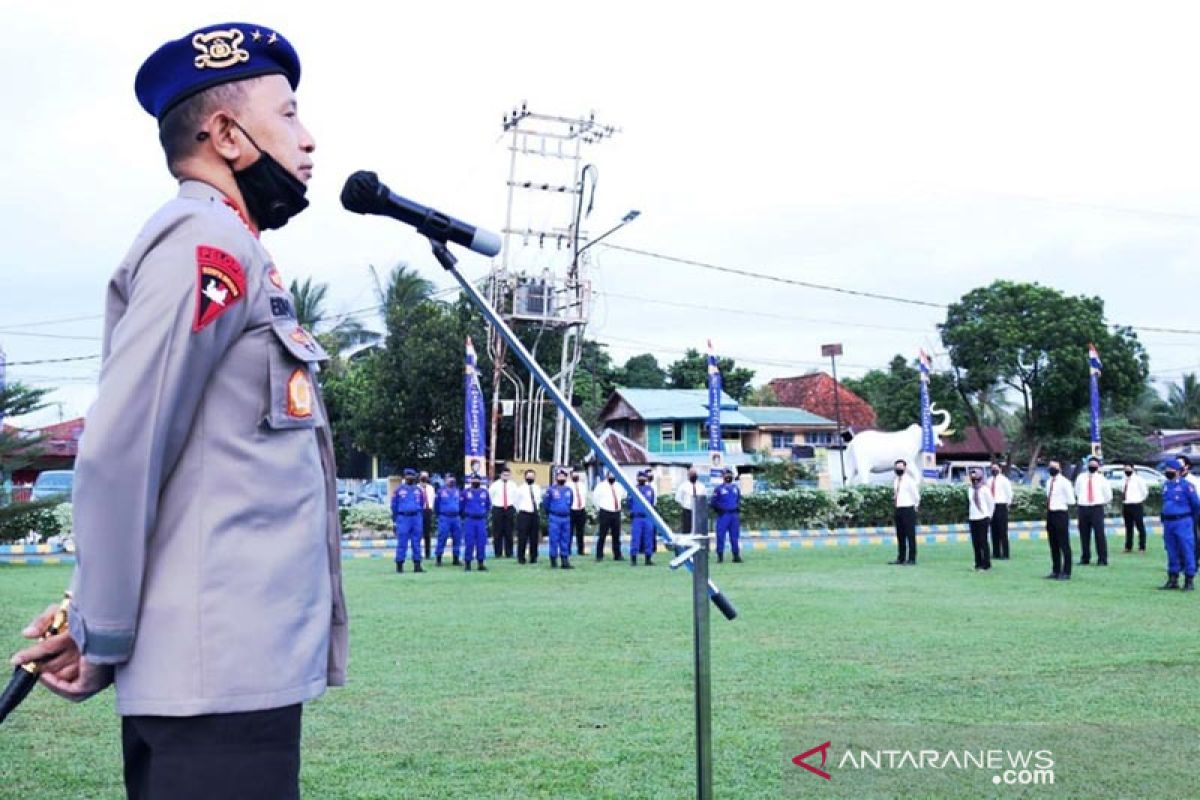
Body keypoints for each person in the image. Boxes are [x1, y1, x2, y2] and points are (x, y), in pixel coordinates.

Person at [9, 23, 346, 799]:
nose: (309, 139)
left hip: (233, 671)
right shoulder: (208, 245)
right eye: (289, 114)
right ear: (226, 134)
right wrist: (100, 627)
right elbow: (125, 448)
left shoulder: (235, 248)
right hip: (214, 682)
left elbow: (191, 470)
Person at [1157, 458, 1200, 591]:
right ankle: (1173, 578)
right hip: (1169, 523)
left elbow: (1196, 506)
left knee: (1187, 550)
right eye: (1166, 469)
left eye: (1169, 469)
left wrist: (1192, 521)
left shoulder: (1187, 486)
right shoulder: (1165, 485)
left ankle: (1189, 579)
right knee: (1171, 550)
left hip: (1183, 522)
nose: (1167, 471)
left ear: (1177, 471)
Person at [1074, 456, 1112, 566]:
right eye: (1090, 465)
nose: (1092, 467)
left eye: (1094, 465)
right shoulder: (1081, 477)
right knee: (1084, 534)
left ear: (1098, 467)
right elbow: (1077, 491)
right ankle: (1085, 558)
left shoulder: (1102, 479)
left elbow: (1108, 495)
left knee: (1099, 534)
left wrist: (1098, 502)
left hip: (1096, 508)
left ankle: (1102, 559)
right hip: (1083, 507)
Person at [1045, 460, 1076, 580]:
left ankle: (1066, 571)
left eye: (1054, 466)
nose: (1051, 468)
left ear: (1060, 468)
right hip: (1050, 513)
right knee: (1053, 544)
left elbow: (1071, 500)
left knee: (1064, 544)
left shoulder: (1064, 482)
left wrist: (1061, 501)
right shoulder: (1048, 482)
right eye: (1050, 466)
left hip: (1061, 513)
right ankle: (1055, 570)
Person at [393, 469, 426, 573]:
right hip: (403, 518)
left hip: (416, 517)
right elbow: (394, 505)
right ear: (405, 477)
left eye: (412, 476)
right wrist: (395, 519)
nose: (410, 478)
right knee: (402, 542)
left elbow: (421, 503)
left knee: (416, 542)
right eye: (408, 476)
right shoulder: (399, 490)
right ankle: (399, 565)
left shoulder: (418, 490)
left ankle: (417, 565)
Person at [890, 459, 920, 565]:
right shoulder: (895, 480)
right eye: (897, 467)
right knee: (900, 534)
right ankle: (901, 557)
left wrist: (915, 507)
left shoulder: (909, 481)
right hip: (898, 508)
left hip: (908, 508)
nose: (899, 469)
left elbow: (916, 496)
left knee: (910, 535)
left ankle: (912, 558)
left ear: (905, 468)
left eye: (901, 467)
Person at [710, 467, 743, 563]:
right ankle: (720, 556)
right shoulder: (718, 489)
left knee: (735, 536)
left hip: (734, 515)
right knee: (720, 536)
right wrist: (719, 510)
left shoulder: (736, 488)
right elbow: (713, 502)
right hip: (723, 515)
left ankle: (736, 555)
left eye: (729, 474)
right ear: (723, 476)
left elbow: (738, 500)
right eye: (726, 474)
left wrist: (737, 508)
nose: (728, 476)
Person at [544, 468, 576, 569]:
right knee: (554, 539)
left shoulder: (569, 490)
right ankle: (553, 560)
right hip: (555, 517)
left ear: (566, 477)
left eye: (563, 476)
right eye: (559, 476)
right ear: (556, 477)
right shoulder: (551, 490)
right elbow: (546, 504)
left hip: (566, 518)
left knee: (565, 540)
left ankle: (565, 561)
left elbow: (570, 503)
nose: (561, 478)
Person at [593, 471, 626, 560]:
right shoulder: (601, 486)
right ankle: (599, 555)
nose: (612, 477)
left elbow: (623, 496)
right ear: (607, 476)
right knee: (602, 534)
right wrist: (599, 509)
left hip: (616, 512)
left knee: (616, 535)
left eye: (613, 475)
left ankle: (617, 555)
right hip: (605, 511)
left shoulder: (619, 486)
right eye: (610, 475)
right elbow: (595, 498)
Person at [461, 473, 491, 572]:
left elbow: (488, 506)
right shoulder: (465, 492)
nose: (476, 482)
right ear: (471, 481)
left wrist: (483, 513)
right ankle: (468, 563)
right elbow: (461, 506)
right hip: (469, 520)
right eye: (474, 480)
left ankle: (481, 563)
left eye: (477, 480)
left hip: (481, 520)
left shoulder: (485, 492)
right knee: (469, 542)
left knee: (481, 542)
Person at [967, 469, 995, 571]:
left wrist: (989, 516)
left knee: (983, 541)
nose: (974, 480)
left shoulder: (985, 489)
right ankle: (978, 563)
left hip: (983, 518)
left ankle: (986, 564)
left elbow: (991, 503)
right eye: (973, 478)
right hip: (973, 518)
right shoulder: (970, 489)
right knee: (975, 542)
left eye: (976, 477)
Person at [630, 469, 658, 566]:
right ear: (637, 478)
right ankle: (633, 559)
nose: (642, 479)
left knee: (648, 538)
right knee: (636, 538)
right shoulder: (633, 489)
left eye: (643, 477)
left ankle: (648, 559)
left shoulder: (650, 489)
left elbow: (652, 503)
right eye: (640, 477)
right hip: (637, 517)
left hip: (647, 517)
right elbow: (629, 503)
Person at [488, 467, 518, 558]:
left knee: (509, 531)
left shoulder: (513, 485)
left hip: (509, 508)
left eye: (508, 475)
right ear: (500, 475)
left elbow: (516, 497)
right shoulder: (494, 485)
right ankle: (498, 552)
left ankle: (509, 553)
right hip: (498, 508)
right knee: (497, 532)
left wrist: (514, 508)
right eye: (504, 475)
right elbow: (490, 497)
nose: (506, 477)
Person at [514, 468, 542, 564]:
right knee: (522, 537)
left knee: (534, 537)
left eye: (532, 476)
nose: (530, 477)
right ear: (525, 477)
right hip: (524, 514)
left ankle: (533, 557)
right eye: (528, 476)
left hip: (534, 514)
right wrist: (521, 511)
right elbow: (516, 502)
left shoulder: (538, 488)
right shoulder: (520, 489)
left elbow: (539, 501)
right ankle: (521, 558)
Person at [1120, 462, 1149, 553]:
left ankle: (1142, 547)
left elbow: (1144, 492)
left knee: (1140, 526)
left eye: (1129, 469)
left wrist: (1139, 500)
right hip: (1126, 504)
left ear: (1133, 469)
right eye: (1125, 469)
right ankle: (1128, 546)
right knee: (1128, 527)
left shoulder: (1138, 479)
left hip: (1136, 504)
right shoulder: (1123, 479)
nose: (1127, 471)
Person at [434, 475, 463, 567]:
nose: (451, 480)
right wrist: (440, 515)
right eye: (449, 479)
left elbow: (462, 505)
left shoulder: (458, 492)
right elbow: (436, 506)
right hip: (444, 518)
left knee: (457, 538)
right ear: (445, 480)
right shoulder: (440, 492)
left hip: (456, 518)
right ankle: (438, 559)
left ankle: (456, 559)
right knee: (442, 537)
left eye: (453, 478)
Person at [987, 462, 1013, 560]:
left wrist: (1007, 505)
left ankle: (1005, 553)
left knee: (1002, 531)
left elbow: (1009, 494)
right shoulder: (989, 481)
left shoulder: (1004, 480)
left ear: (1000, 469)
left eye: (995, 468)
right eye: (992, 468)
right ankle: (996, 552)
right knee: (994, 531)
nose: (993, 470)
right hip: (991, 507)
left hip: (1001, 505)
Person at [674, 466, 708, 534]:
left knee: (698, 530)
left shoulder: (702, 486)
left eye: (694, 474)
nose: (693, 475)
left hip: (698, 512)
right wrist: (684, 505)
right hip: (687, 511)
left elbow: (704, 498)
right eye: (691, 474)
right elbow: (678, 498)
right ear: (688, 475)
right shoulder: (683, 486)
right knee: (687, 530)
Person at [1179, 455, 1200, 559]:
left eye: (1180, 464)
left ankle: (1194, 558)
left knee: (1192, 536)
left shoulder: (1193, 481)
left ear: (1187, 466)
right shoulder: (1175, 480)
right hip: (1179, 513)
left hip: (1192, 512)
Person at [569, 469, 589, 556]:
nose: (575, 476)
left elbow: (584, 496)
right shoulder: (568, 486)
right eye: (574, 475)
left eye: (577, 475)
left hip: (581, 510)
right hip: (571, 510)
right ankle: (567, 550)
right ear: (571, 476)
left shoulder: (582, 485)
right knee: (569, 532)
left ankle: (581, 550)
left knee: (580, 531)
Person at [418, 470, 436, 560]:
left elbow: (433, 499)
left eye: (426, 476)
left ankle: (427, 554)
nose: (425, 478)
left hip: (428, 511)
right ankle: (418, 554)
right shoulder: (416, 488)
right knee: (418, 533)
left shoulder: (431, 488)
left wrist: (431, 510)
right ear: (419, 477)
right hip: (419, 511)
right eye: (423, 476)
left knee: (427, 533)